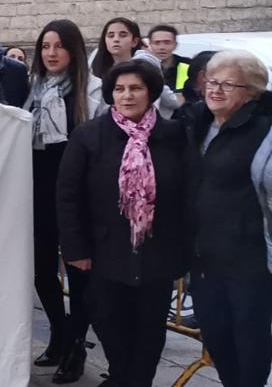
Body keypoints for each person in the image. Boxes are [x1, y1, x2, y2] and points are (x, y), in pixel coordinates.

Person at [57, 59, 189, 387]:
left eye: (135, 88)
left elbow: (187, 195)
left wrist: (183, 251)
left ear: (151, 93)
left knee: (149, 333)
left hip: (156, 255)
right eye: (119, 89)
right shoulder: (90, 136)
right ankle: (121, 376)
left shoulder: (173, 135)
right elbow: (68, 196)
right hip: (104, 253)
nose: (127, 96)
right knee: (111, 326)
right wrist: (75, 249)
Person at [181, 50, 272, 387]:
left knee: (249, 339)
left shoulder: (263, 131)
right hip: (205, 255)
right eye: (212, 81)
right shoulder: (198, 123)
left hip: (247, 258)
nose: (215, 90)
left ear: (251, 92)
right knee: (216, 335)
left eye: (228, 85)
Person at [23, 20, 104, 382]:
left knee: (79, 275)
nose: (51, 53)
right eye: (45, 47)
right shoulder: (31, 89)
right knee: (42, 271)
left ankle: (74, 345)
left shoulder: (94, 92)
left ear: (73, 50)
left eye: (58, 46)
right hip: (38, 191)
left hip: (78, 198)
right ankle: (59, 332)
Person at [90, 18, 142, 82]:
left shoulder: (142, 70)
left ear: (134, 42)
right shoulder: (95, 71)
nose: (116, 39)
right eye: (111, 36)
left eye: (123, 35)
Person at [147, 25, 191, 96]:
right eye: (157, 43)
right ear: (150, 45)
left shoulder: (189, 65)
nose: (162, 47)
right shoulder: (143, 67)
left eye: (167, 42)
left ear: (175, 45)